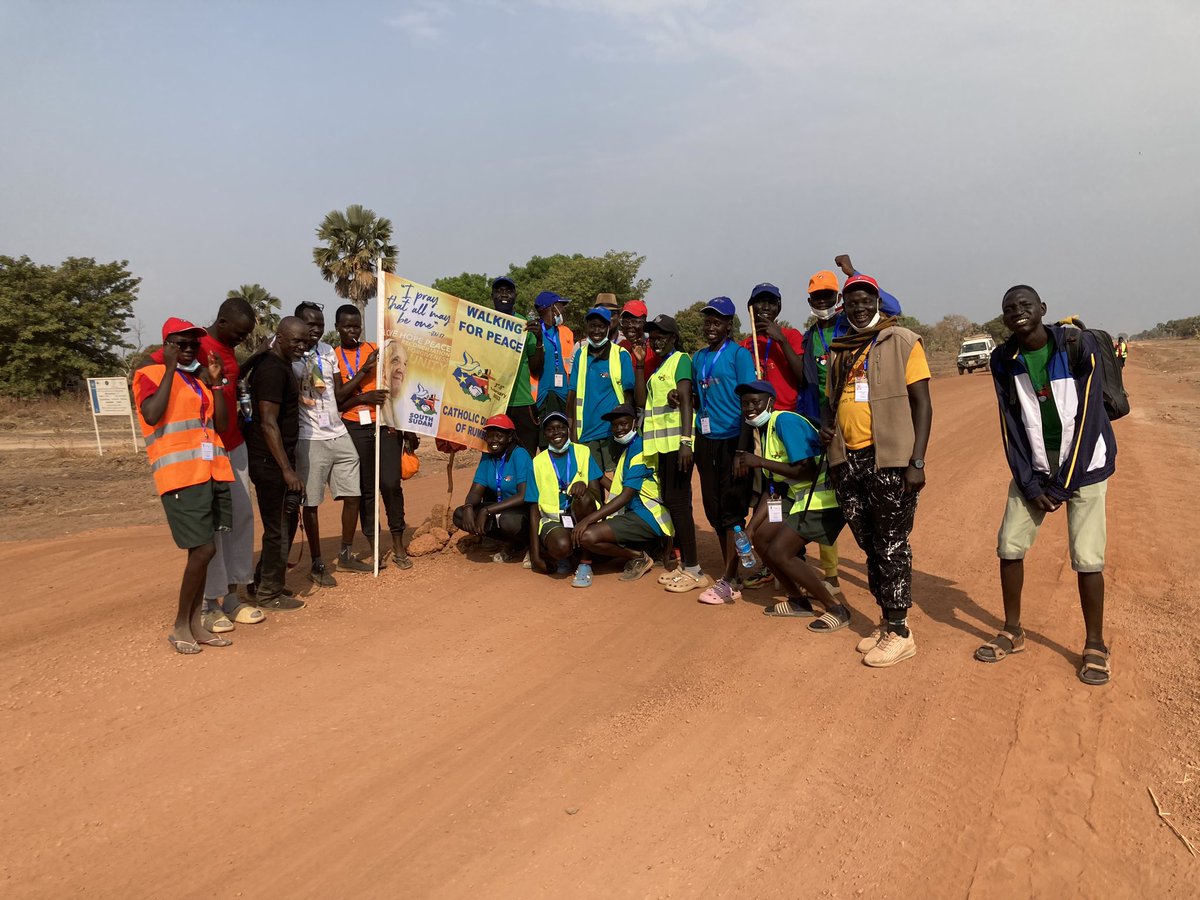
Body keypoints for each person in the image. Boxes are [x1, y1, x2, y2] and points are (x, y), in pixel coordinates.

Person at [978, 285, 1116, 686]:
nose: (1018, 312)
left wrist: (1062, 486)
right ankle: (1012, 630)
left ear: (1042, 309)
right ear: (1004, 319)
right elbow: (1011, 426)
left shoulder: (1077, 345)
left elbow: (1090, 420)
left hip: (1085, 465)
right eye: (1009, 309)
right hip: (1036, 466)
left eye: (1025, 305)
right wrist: (1028, 480)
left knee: (1087, 558)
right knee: (1009, 546)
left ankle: (1095, 644)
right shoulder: (1004, 359)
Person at [821, 275, 932, 668]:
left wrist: (916, 461)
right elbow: (831, 404)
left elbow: (923, 405)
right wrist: (827, 431)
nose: (859, 307)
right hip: (848, 462)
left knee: (892, 543)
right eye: (852, 302)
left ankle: (901, 632)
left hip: (891, 460)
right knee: (869, 544)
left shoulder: (902, 340)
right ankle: (886, 621)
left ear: (878, 302)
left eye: (866, 299)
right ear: (844, 307)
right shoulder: (839, 349)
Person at [148, 298, 264, 633]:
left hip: (233, 444)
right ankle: (210, 603)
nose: (241, 339)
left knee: (239, 519)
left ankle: (232, 592)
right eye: (240, 333)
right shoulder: (194, 348)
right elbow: (157, 364)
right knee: (213, 530)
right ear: (223, 322)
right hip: (203, 452)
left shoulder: (224, 348)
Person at [133, 318, 236, 653]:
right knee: (203, 549)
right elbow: (151, 414)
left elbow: (220, 424)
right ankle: (180, 625)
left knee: (206, 550)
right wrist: (168, 369)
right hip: (181, 477)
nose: (189, 349)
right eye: (181, 344)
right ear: (166, 345)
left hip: (211, 472)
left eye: (194, 344)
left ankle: (195, 624)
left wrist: (217, 385)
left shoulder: (198, 381)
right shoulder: (148, 375)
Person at [734, 381, 847, 625]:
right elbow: (774, 486)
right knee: (762, 538)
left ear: (770, 402)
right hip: (796, 495)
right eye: (745, 404)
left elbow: (805, 470)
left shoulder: (785, 422)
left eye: (756, 402)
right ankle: (797, 600)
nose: (750, 408)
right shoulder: (763, 431)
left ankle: (836, 608)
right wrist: (751, 528)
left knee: (780, 551)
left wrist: (760, 462)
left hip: (821, 496)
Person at [293, 302, 371, 585]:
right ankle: (316, 563)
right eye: (310, 324)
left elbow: (338, 394)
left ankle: (346, 553)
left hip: (338, 433)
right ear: (298, 324)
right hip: (309, 437)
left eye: (320, 324)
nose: (316, 329)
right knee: (311, 503)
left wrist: (362, 374)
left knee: (353, 495)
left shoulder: (327, 352)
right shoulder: (289, 354)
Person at [333, 304, 412, 570]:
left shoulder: (376, 350)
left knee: (390, 484)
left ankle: (399, 544)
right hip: (354, 427)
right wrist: (364, 391)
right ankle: (374, 547)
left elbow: (397, 387)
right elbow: (338, 401)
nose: (352, 330)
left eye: (356, 326)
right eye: (347, 326)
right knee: (366, 491)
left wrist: (405, 426)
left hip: (385, 425)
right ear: (338, 328)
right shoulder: (334, 357)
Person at [690, 297, 759, 606]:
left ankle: (732, 578)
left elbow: (748, 406)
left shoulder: (739, 356)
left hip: (734, 440)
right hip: (706, 441)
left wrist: (742, 451)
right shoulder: (698, 358)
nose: (710, 326)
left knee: (733, 511)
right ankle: (736, 569)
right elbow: (697, 397)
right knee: (715, 510)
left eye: (717, 321)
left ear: (729, 325)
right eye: (707, 321)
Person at [242, 318, 309, 611]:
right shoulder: (272, 370)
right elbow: (269, 424)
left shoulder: (280, 365)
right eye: (296, 341)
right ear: (280, 338)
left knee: (283, 523)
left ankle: (263, 583)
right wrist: (286, 468)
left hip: (275, 459)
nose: (301, 346)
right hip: (271, 463)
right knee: (278, 528)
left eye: (305, 341)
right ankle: (269, 593)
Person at [642, 314, 710, 592]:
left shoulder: (680, 360)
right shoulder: (660, 366)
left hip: (677, 446)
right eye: (652, 336)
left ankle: (694, 569)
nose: (655, 340)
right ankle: (686, 566)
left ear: (672, 338)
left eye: (661, 335)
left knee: (680, 503)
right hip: (663, 447)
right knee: (672, 500)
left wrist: (686, 441)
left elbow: (685, 400)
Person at [794, 270, 849, 604]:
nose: (824, 302)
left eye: (829, 296)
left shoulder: (851, 326)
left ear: (838, 298)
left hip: (852, 421)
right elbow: (807, 383)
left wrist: (852, 273)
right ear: (811, 302)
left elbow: (892, 305)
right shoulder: (809, 337)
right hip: (819, 424)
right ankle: (830, 574)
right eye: (818, 297)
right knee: (823, 497)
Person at [572, 405, 673, 585]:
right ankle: (645, 550)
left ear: (635, 423)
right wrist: (597, 475)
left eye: (623, 424)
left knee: (587, 537)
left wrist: (587, 520)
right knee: (595, 547)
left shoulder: (639, 448)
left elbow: (625, 496)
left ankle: (639, 557)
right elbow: (619, 488)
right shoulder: (629, 448)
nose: (619, 429)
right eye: (615, 425)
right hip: (635, 513)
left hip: (649, 515)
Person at [526, 411, 603, 577]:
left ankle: (585, 562)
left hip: (582, 516)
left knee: (584, 498)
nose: (556, 433)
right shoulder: (538, 462)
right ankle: (564, 554)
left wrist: (585, 485)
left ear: (568, 430)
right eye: (551, 429)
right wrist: (535, 555)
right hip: (554, 519)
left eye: (561, 427)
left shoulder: (583, 452)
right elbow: (533, 508)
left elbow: (597, 494)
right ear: (545, 434)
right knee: (561, 545)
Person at [567, 307, 642, 473]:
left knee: (618, 478)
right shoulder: (580, 354)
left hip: (613, 431)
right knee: (592, 483)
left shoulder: (621, 355)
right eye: (592, 326)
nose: (596, 331)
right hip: (586, 431)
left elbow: (628, 395)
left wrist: (628, 428)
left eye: (601, 326)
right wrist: (572, 430)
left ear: (609, 327)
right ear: (586, 326)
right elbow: (573, 393)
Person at [453, 415, 534, 561]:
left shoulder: (519, 454)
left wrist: (487, 510)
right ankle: (508, 541)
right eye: (490, 436)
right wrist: (468, 507)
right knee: (459, 515)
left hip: (522, 509)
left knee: (508, 520)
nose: (494, 440)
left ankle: (528, 544)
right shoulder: (487, 456)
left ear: (509, 437)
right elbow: (475, 491)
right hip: (500, 508)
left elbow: (523, 495)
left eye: (499, 436)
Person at [491, 276, 541, 456]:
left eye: (508, 291)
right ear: (492, 296)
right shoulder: (483, 322)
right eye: (499, 291)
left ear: (515, 296)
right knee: (494, 456)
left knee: (526, 456)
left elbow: (536, 370)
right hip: (492, 403)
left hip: (522, 402)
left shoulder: (525, 326)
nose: (504, 294)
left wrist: (539, 341)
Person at [739, 283, 805, 412]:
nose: (766, 307)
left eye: (771, 303)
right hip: (757, 417)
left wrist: (781, 340)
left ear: (778, 308)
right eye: (760, 302)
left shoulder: (791, 336)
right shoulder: (744, 346)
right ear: (750, 308)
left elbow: (803, 378)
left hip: (787, 414)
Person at [529, 291, 575, 446]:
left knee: (566, 441)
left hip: (564, 395)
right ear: (550, 308)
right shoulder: (534, 332)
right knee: (545, 443)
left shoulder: (566, 332)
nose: (563, 311)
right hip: (541, 396)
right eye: (561, 306)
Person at [835, 253, 903, 317]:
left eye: (866, 302)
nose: (860, 309)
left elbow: (894, 309)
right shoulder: (840, 317)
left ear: (838, 298)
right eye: (853, 303)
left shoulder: (845, 317)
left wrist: (853, 274)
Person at [618, 299, 660, 376]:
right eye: (625, 322)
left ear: (645, 323)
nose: (629, 325)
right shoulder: (620, 348)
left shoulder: (655, 350)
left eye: (635, 321)